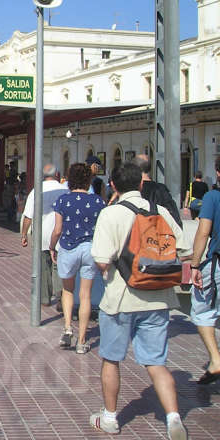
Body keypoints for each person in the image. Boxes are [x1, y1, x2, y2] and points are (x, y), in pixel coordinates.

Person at [89, 162, 189, 439]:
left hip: (121, 299)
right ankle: (173, 419)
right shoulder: (162, 212)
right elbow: (183, 248)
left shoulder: (111, 214)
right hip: (158, 299)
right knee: (156, 362)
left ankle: (109, 418)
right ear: (142, 184)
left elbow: (100, 260)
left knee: (111, 359)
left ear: (113, 186)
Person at [49, 162, 104, 353]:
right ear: (89, 179)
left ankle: (67, 328)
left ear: (69, 179)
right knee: (86, 295)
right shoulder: (98, 201)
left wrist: (51, 247)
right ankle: (82, 341)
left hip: (68, 247)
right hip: (90, 248)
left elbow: (57, 230)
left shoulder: (62, 201)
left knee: (68, 290)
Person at [189, 157, 220, 386]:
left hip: (217, 264)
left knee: (201, 310)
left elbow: (203, 232)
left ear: (217, 173)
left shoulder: (212, 197)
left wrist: (195, 264)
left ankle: (216, 359)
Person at [20, 163, 67, 307]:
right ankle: (61, 296)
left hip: (41, 234)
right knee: (59, 265)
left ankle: (45, 297)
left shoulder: (36, 191)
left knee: (43, 266)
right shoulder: (65, 190)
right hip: (60, 234)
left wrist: (24, 235)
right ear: (57, 175)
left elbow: (28, 215)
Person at [134, 154, 182, 228]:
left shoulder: (131, 190)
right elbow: (175, 219)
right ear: (150, 167)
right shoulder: (161, 189)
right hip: (156, 234)